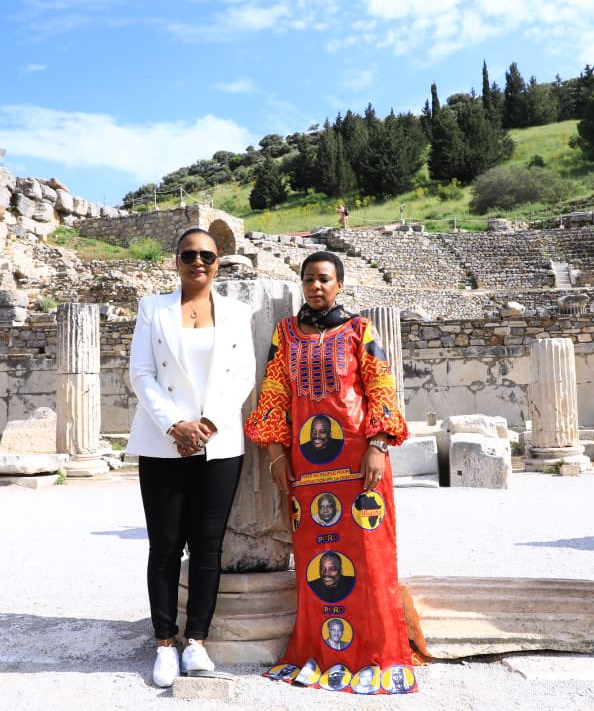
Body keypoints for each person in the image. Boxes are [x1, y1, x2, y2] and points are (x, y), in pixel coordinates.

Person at [245, 250, 417, 695]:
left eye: (324, 279)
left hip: (360, 461)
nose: (316, 287)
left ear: (340, 284)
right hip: (306, 466)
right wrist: (277, 456)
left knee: (370, 557)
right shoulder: (285, 335)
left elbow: (379, 384)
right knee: (317, 561)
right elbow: (274, 396)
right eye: (309, 279)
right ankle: (324, 652)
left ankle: (377, 652)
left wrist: (379, 445)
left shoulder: (360, 329)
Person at [126, 227, 256, 688]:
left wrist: (208, 425)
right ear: (175, 260)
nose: (198, 262)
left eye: (207, 255)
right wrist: (175, 425)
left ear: (218, 262)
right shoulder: (152, 308)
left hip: (217, 442)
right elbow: (140, 374)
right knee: (163, 547)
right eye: (188, 255)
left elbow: (243, 376)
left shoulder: (238, 313)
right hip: (163, 441)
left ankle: (197, 640)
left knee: (207, 548)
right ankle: (164, 642)